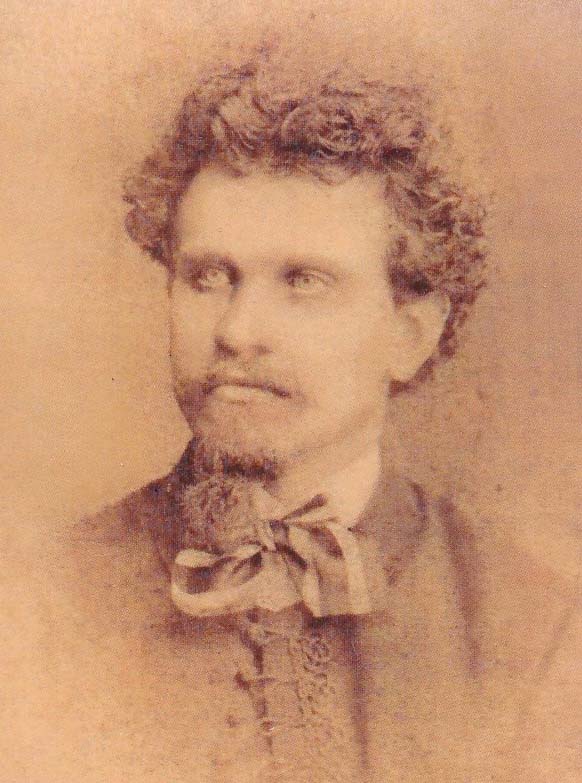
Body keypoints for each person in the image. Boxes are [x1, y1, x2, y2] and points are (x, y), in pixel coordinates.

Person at [57, 51, 580, 783]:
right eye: (208, 276)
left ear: (411, 333)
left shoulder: (534, 631)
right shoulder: (45, 600)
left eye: (304, 281)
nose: (237, 330)